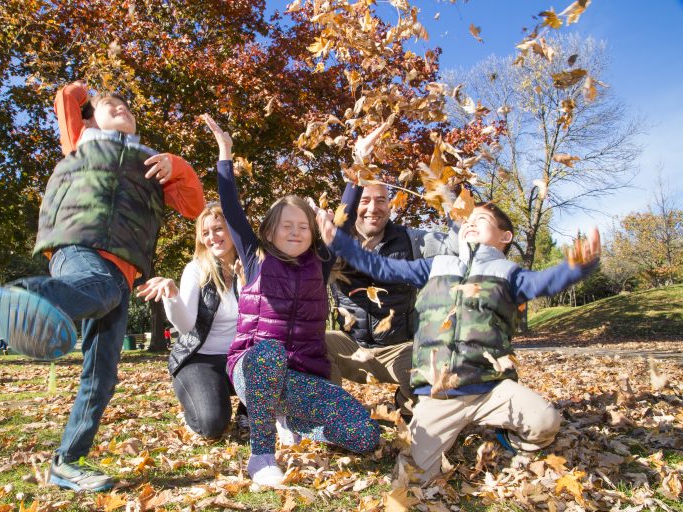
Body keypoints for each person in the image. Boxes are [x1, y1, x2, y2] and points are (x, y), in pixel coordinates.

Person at [0, 82, 205, 492]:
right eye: (112, 106)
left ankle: (67, 461)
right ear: (91, 118)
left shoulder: (154, 164)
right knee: (99, 289)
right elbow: (66, 101)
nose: (123, 109)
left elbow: (193, 206)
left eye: (128, 107)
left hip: (121, 274)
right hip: (79, 250)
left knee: (102, 374)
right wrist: (85, 91)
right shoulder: (83, 140)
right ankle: (17, 299)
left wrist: (177, 166)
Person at [317, 201, 600, 482]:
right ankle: (439, 438)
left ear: (505, 236)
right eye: (467, 220)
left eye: (482, 219)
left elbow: (545, 282)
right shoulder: (438, 265)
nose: (471, 223)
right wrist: (339, 242)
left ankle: (512, 441)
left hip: (490, 388)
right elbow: (382, 267)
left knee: (546, 422)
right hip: (438, 394)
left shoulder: (509, 273)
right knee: (414, 478)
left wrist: (577, 267)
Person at [202, 114, 380, 487]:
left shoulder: (320, 262)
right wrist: (224, 153)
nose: (297, 232)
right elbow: (230, 207)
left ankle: (296, 419)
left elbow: (344, 220)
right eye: (287, 226)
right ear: (269, 230)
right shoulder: (254, 256)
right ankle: (261, 455)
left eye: (304, 226)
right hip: (254, 368)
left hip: (300, 377)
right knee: (270, 354)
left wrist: (358, 167)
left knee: (366, 436)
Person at [327, 181, 457, 419]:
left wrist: (452, 201)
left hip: (399, 349)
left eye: (381, 200)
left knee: (437, 363)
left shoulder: (412, 240)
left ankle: (407, 405)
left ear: (390, 205)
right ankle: (334, 416)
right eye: (364, 201)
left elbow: (457, 247)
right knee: (311, 344)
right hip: (349, 347)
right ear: (353, 205)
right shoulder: (334, 243)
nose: (372, 208)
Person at [137, 202, 248, 439]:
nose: (212, 237)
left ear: (233, 229)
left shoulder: (250, 266)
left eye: (218, 229)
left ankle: (246, 413)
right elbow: (186, 326)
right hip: (199, 359)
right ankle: (198, 401)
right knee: (212, 425)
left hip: (239, 359)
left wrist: (245, 283)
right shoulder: (196, 269)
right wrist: (172, 297)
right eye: (205, 233)